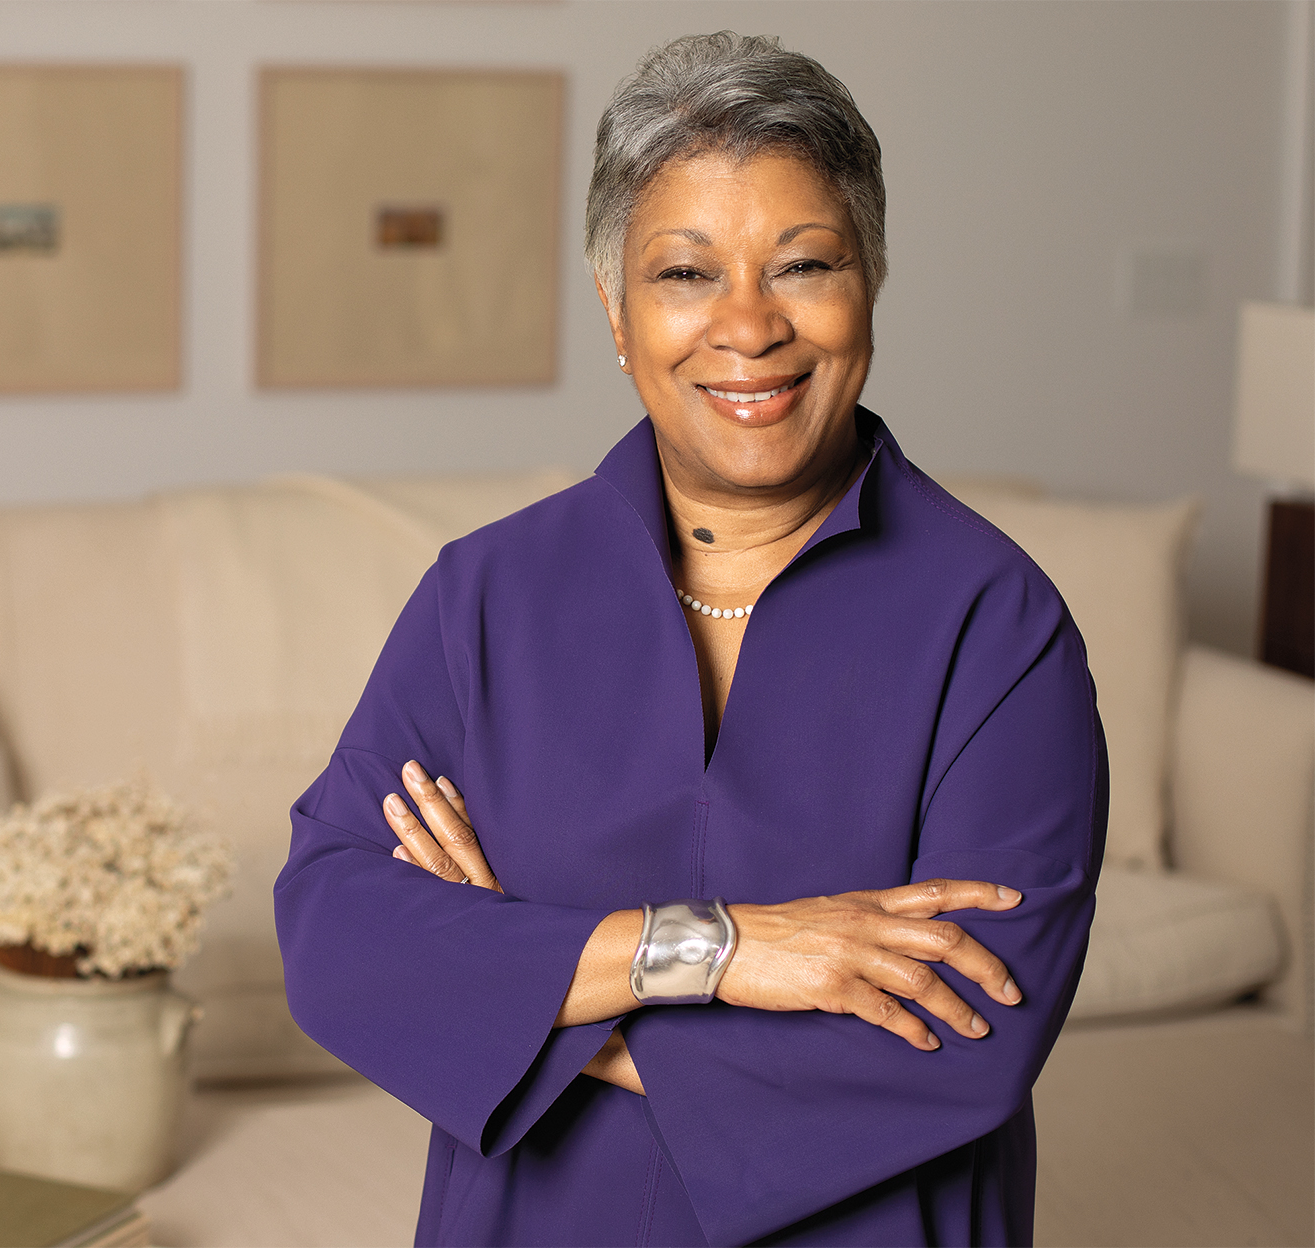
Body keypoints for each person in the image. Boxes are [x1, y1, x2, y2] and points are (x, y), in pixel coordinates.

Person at [275, 31, 1105, 1248]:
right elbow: (340, 939)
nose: (748, 327)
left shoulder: (999, 622)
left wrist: (525, 976)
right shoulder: (487, 594)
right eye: (685, 274)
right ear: (618, 314)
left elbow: (963, 1041)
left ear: (869, 283)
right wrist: (721, 951)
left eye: (803, 264)